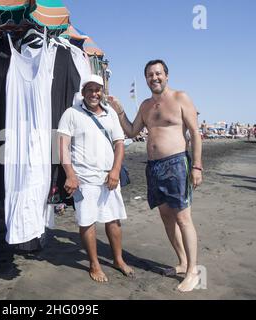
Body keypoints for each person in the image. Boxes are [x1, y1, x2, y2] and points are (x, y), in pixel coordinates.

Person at [107, 60, 203, 292]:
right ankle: (181, 263)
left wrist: (197, 166)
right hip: (154, 168)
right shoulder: (145, 105)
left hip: (177, 164)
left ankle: (193, 272)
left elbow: (195, 134)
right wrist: (119, 110)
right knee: (167, 218)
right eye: (150, 75)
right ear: (146, 79)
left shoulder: (181, 98)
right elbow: (131, 131)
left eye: (158, 73)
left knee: (183, 219)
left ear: (166, 76)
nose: (154, 78)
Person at [58, 74, 134, 283]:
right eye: (90, 89)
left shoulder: (110, 114)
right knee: (87, 221)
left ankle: (118, 260)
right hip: (83, 180)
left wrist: (116, 171)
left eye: (97, 89)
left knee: (114, 219)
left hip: (109, 177)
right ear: (83, 92)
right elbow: (62, 145)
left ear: (102, 92)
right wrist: (70, 175)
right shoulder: (71, 114)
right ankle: (94, 264)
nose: (94, 93)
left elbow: (119, 143)